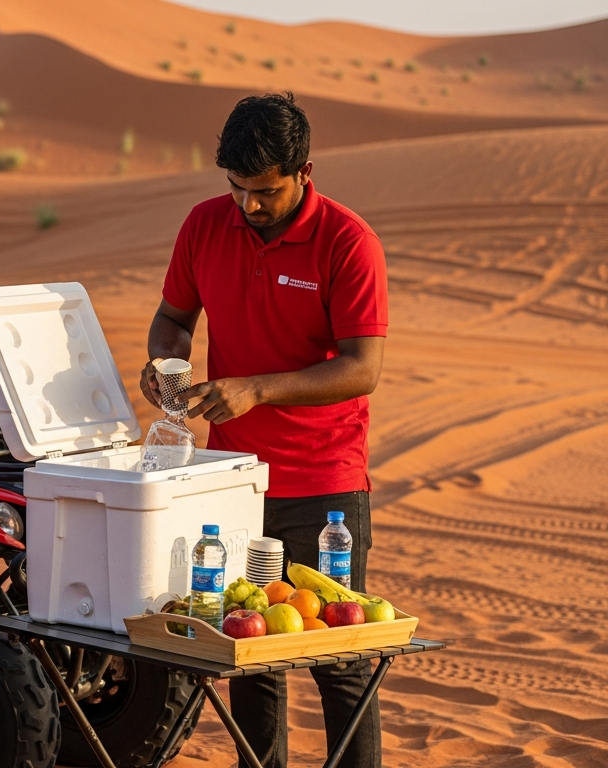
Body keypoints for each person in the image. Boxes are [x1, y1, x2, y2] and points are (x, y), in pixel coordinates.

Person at [140, 93, 388, 768]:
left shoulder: (348, 241)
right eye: (238, 189)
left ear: (307, 170)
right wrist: (165, 363)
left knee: (340, 662)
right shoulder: (203, 226)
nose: (250, 205)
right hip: (234, 488)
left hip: (324, 486)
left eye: (267, 192)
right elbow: (173, 317)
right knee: (248, 658)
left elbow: (362, 369)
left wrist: (256, 390)